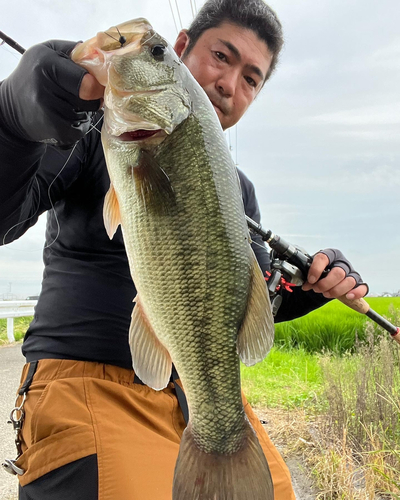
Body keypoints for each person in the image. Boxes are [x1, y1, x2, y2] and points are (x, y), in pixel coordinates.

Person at [0, 0, 368, 498]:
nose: (228, 84)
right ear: (180, 50)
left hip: (198, 400)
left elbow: (251, 296)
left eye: (251, 79)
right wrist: (12, 124)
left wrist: (315, 286)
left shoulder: (239, 191)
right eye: (222, 56)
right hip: (87, 386)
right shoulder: (92, 134)